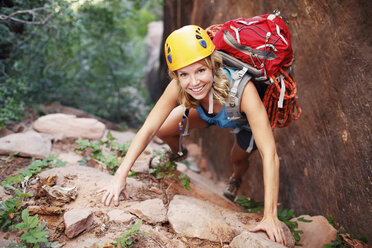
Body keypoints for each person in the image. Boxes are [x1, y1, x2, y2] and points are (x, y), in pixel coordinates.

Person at [99, 25, 286, 245]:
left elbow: (270, 154)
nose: (194, 82)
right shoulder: (179, 85)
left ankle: (235, 178)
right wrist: (120, 175)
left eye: (200, 71)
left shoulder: (244, 91)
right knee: (163, 128)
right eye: (184, 74)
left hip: (240, 121)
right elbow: (149, 127)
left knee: (238, 158)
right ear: (176, 75)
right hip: (206, 113)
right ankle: (179, 152)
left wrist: (270, 216)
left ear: (212, 65)